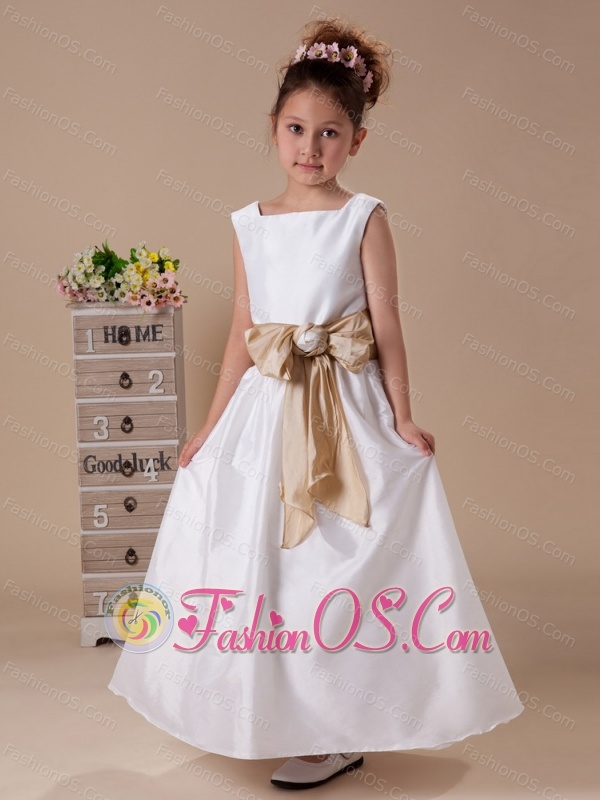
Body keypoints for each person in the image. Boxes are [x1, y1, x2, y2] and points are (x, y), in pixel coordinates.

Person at [108, 15, 524, 791]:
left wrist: (401, 416)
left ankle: (338, 725)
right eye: (297, 129)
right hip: (266, 412)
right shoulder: (249, 223)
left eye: (330, 133)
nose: (311, 148)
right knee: (262, 559)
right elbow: (245, 328)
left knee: (333, 559)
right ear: (273, 128)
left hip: (343, 407)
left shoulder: (364, 218)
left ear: (356, 141)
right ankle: (267, 706)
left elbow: (386, 322)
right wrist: (210, 427)